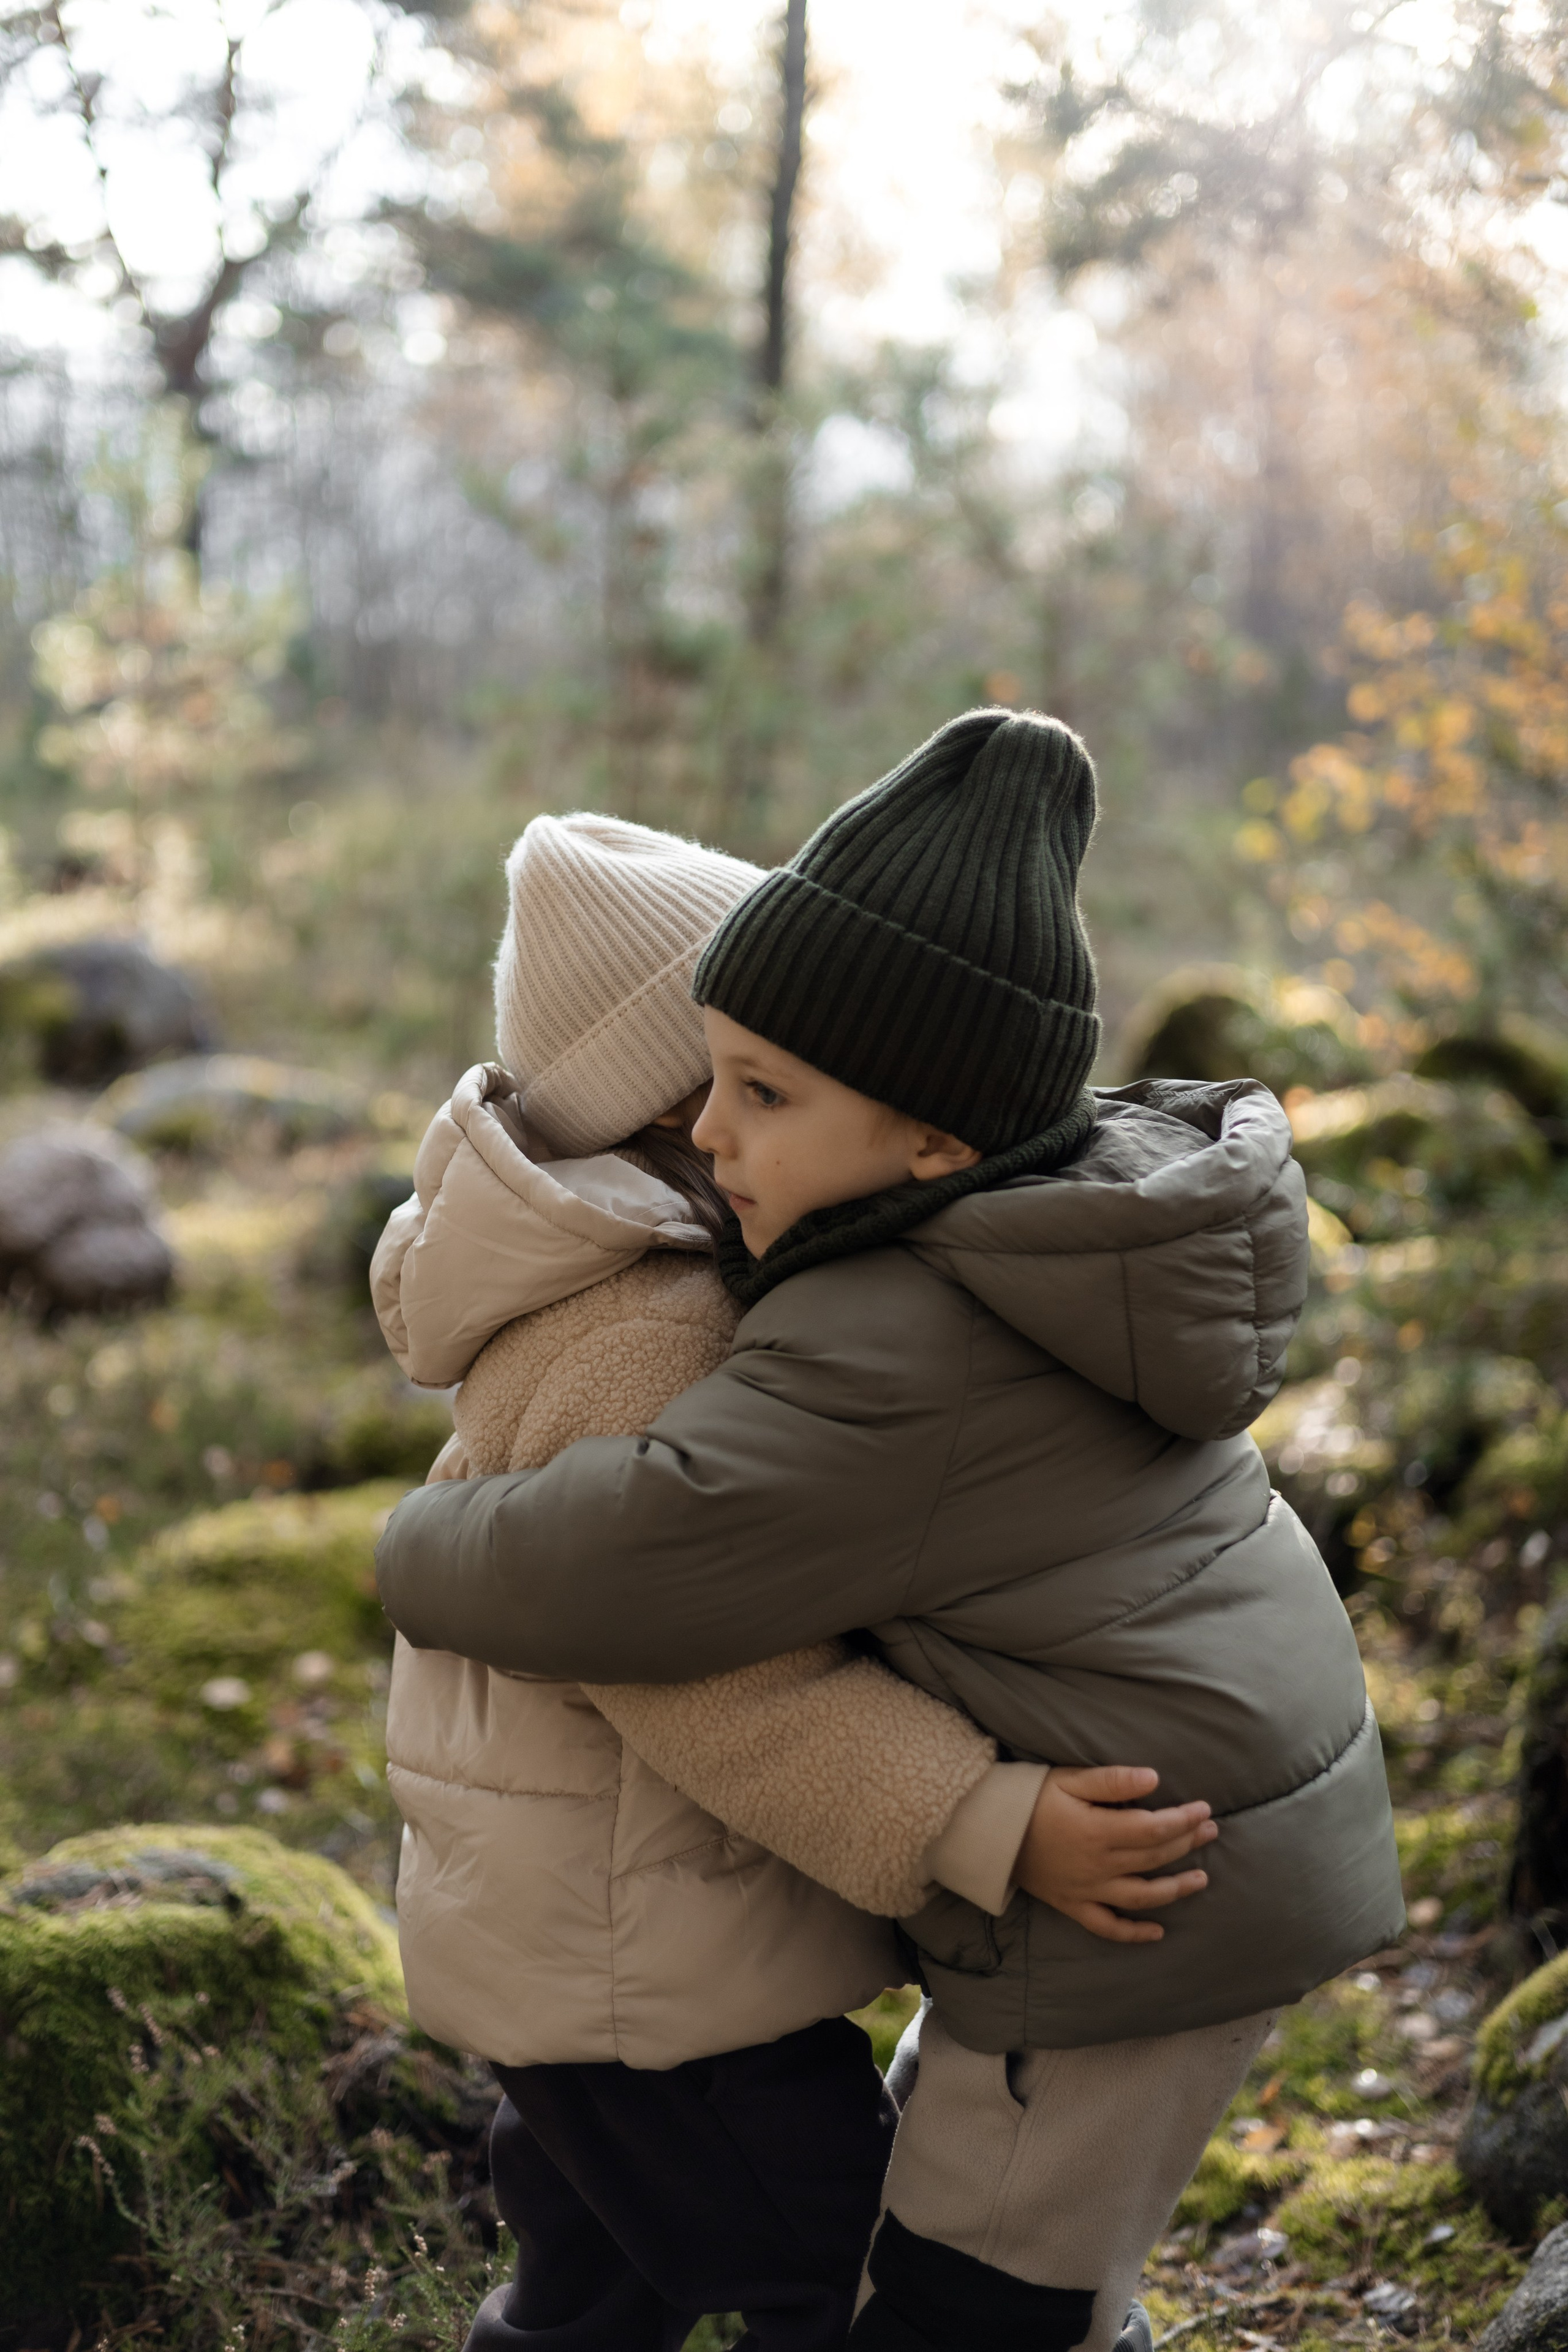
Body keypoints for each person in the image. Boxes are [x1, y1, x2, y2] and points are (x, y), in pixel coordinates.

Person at [377, 717, 1405, 2352]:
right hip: (652, 1950)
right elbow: (684, 1651)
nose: (723, 1130)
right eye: (707, 1083)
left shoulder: (861, 1323)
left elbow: (647, 1590)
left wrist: (423, 1553)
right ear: (650, 1109)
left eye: (761, 1086)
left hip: (964, 1887)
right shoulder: (763, 1305)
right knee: (808, 2260)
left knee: (864, 2281)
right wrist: (975, 1819)